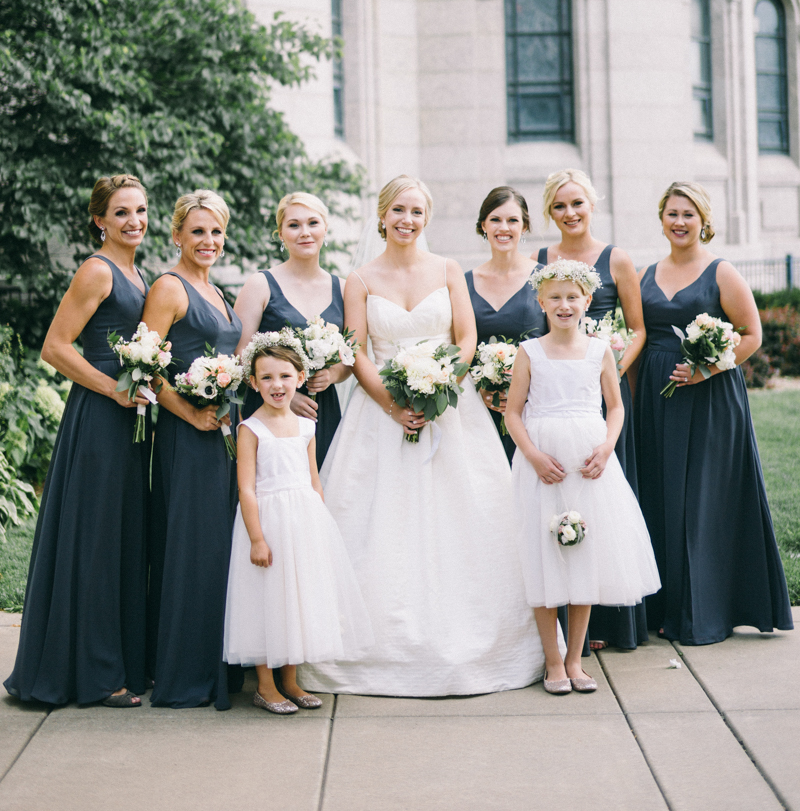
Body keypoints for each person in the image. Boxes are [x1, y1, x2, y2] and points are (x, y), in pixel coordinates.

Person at [300, 175, 547, 697]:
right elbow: (357, 350)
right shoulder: (360, 279)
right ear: (383, 216)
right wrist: (393, 405)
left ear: (426, 218)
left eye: (416, 212)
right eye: (399, 211)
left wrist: (440, 387)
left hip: (450, 412)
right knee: (379, 525)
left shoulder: (447, 270)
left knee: (469, 520)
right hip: (379, 417)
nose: (407, 220)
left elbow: (465, 338)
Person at [4, 175, 151, 707]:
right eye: (121, 213)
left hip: (132, 421)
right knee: (94, 541)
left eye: (140, 210)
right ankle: (95, 673)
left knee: (118, 539)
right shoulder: (97, 270)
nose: (133, 220)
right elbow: (55, 346)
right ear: (100, 221)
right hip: (99, 418)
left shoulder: (139, 272)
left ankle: (119, 658)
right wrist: (114, 389)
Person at [635, 181, 793, 646]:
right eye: (672, 213)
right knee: (661, 497)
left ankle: (705, 611)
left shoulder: (721, 271)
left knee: (703, 502)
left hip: (709, 400)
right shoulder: (646, 273)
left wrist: (706, 369)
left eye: (688, 214)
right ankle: (663, 607)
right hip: (656, 398)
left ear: (704, 220)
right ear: (661, 218)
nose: (679, 222)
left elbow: (750, 334)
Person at [505, 258, 659, 695]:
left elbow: (616, 407)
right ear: (540, 301)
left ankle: (575, 659)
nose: (564, 304)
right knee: (543, 555)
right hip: (544, 465)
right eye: (555, 297)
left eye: (573, 297)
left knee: (583, 554)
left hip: (589, 464)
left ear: (588, 300)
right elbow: (513, 413)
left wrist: (608, 447)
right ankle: (552, 661)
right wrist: (533, 455)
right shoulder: (529, 352)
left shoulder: (600, 351)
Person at [223, 342, 372, 714]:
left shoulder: (306, 426)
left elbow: (314, 480)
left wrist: (319, 524)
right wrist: (257, 538)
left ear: (301, 379)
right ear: (254, 383)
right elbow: (245, 488)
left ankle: (290, 680)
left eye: (286, 376)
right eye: (267, 377)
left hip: (302, 521)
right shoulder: (250, 428)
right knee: (266, 600)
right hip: (268, 523)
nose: (277, 385)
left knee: (296, 599)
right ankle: (266, 685)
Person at [535, 168, 647, 652]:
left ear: (592, 204)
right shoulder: (539, 260)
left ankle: (603, 626)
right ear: (549, 212)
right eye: (560, 206)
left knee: (600, 508)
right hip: (552, 393)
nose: (570, 213)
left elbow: (639, 327)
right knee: (549, 507)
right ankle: (552, 628)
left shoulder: (615, 258)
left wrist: (609, 364)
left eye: (577, 203)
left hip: (599, 386)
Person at [144, 190, 243, 709]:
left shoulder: (218, 292)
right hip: (189, 435)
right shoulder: (169, 287)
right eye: (198, 231)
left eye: (217, 232)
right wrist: (190, 414)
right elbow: (144, 366)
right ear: (177, 234)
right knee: (193, 549)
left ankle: (219, 664)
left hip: (224, 434)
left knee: (220, 549)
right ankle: (184, 672)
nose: (208, 241)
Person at [235, 192, 351, 469]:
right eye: (294, 225)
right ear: (281, 234)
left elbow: (351, 357)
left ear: (325, 228)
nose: (305, 233)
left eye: (313, 223)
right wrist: (285, 392)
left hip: (321, 410)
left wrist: (332, 374)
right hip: (269, 409)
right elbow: (240, 353)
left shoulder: (344, 289)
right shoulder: (260, 284)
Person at [465, 186, 545, 462]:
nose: (504, 228)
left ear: (524, 227)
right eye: (496, 219)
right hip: (477, 409)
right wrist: (482, 387)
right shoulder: (463, 283)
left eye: (513, 220)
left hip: (534, 409)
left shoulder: (545, 280)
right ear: (483, 225)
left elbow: (559, 344)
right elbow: (456, 346)